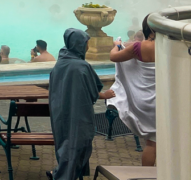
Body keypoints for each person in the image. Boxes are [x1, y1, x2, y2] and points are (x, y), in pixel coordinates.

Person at [48, 28, 103, 180]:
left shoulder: (60, 64)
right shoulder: (82, 67)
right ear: (79, 44)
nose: (87, 46)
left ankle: (61, 173)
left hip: (60, 113)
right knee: (78, 145)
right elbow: (94, 90)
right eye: (86, 43)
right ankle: (61, 176)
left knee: (66, 146)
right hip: (80, 114)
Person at [107, 15, 157, 167]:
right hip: (167, 99)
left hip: (144, 100)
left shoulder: (139, 47)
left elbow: (114, 57)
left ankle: (146, 177)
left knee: (152, 143)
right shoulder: (172, 47)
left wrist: (117, 45)